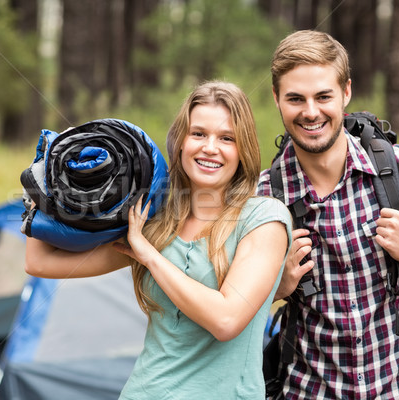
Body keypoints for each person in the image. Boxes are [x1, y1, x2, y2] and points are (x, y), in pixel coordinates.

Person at [25, 80, 293, 399]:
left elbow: (226, 320)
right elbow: (39, 262)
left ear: (243, 149)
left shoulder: (263, 218)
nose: (209, 147)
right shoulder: (156, 221)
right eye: (198, 134)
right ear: (181, 142)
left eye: (226, 138)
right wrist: (44, 191)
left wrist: (149, 255)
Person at [257, 30, 399, 399]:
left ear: (346, 93)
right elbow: (229, 315)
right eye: (295, 98)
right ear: (276, 98)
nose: (311, 112)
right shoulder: (263, 200)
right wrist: (276, 289)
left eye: (323, 96)